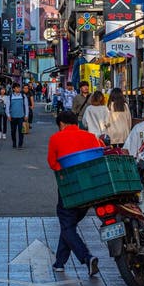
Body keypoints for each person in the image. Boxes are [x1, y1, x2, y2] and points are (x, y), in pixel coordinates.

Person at [47, 110, 101, 276]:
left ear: (62, 124)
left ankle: (87, 257)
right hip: (89, 189)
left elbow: (52, 162)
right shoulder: (91, 137)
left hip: (68, 188)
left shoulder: (56, 138)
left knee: (67, 224)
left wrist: (62, 170)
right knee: (68, 226)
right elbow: (101, 154)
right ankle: (59, 262)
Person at [8, 81, 29, 148]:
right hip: (13, 117)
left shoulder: (23, 96)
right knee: (13, 131)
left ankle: (20, 144)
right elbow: (8, 107)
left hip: (21, 117)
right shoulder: (10, 96)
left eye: (19, 88)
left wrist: (26, 115)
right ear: (13, 89)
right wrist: (8, 115)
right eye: (17, 88)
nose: (19, 89)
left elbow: (26, 106)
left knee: (21, 131)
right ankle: (14, 143)